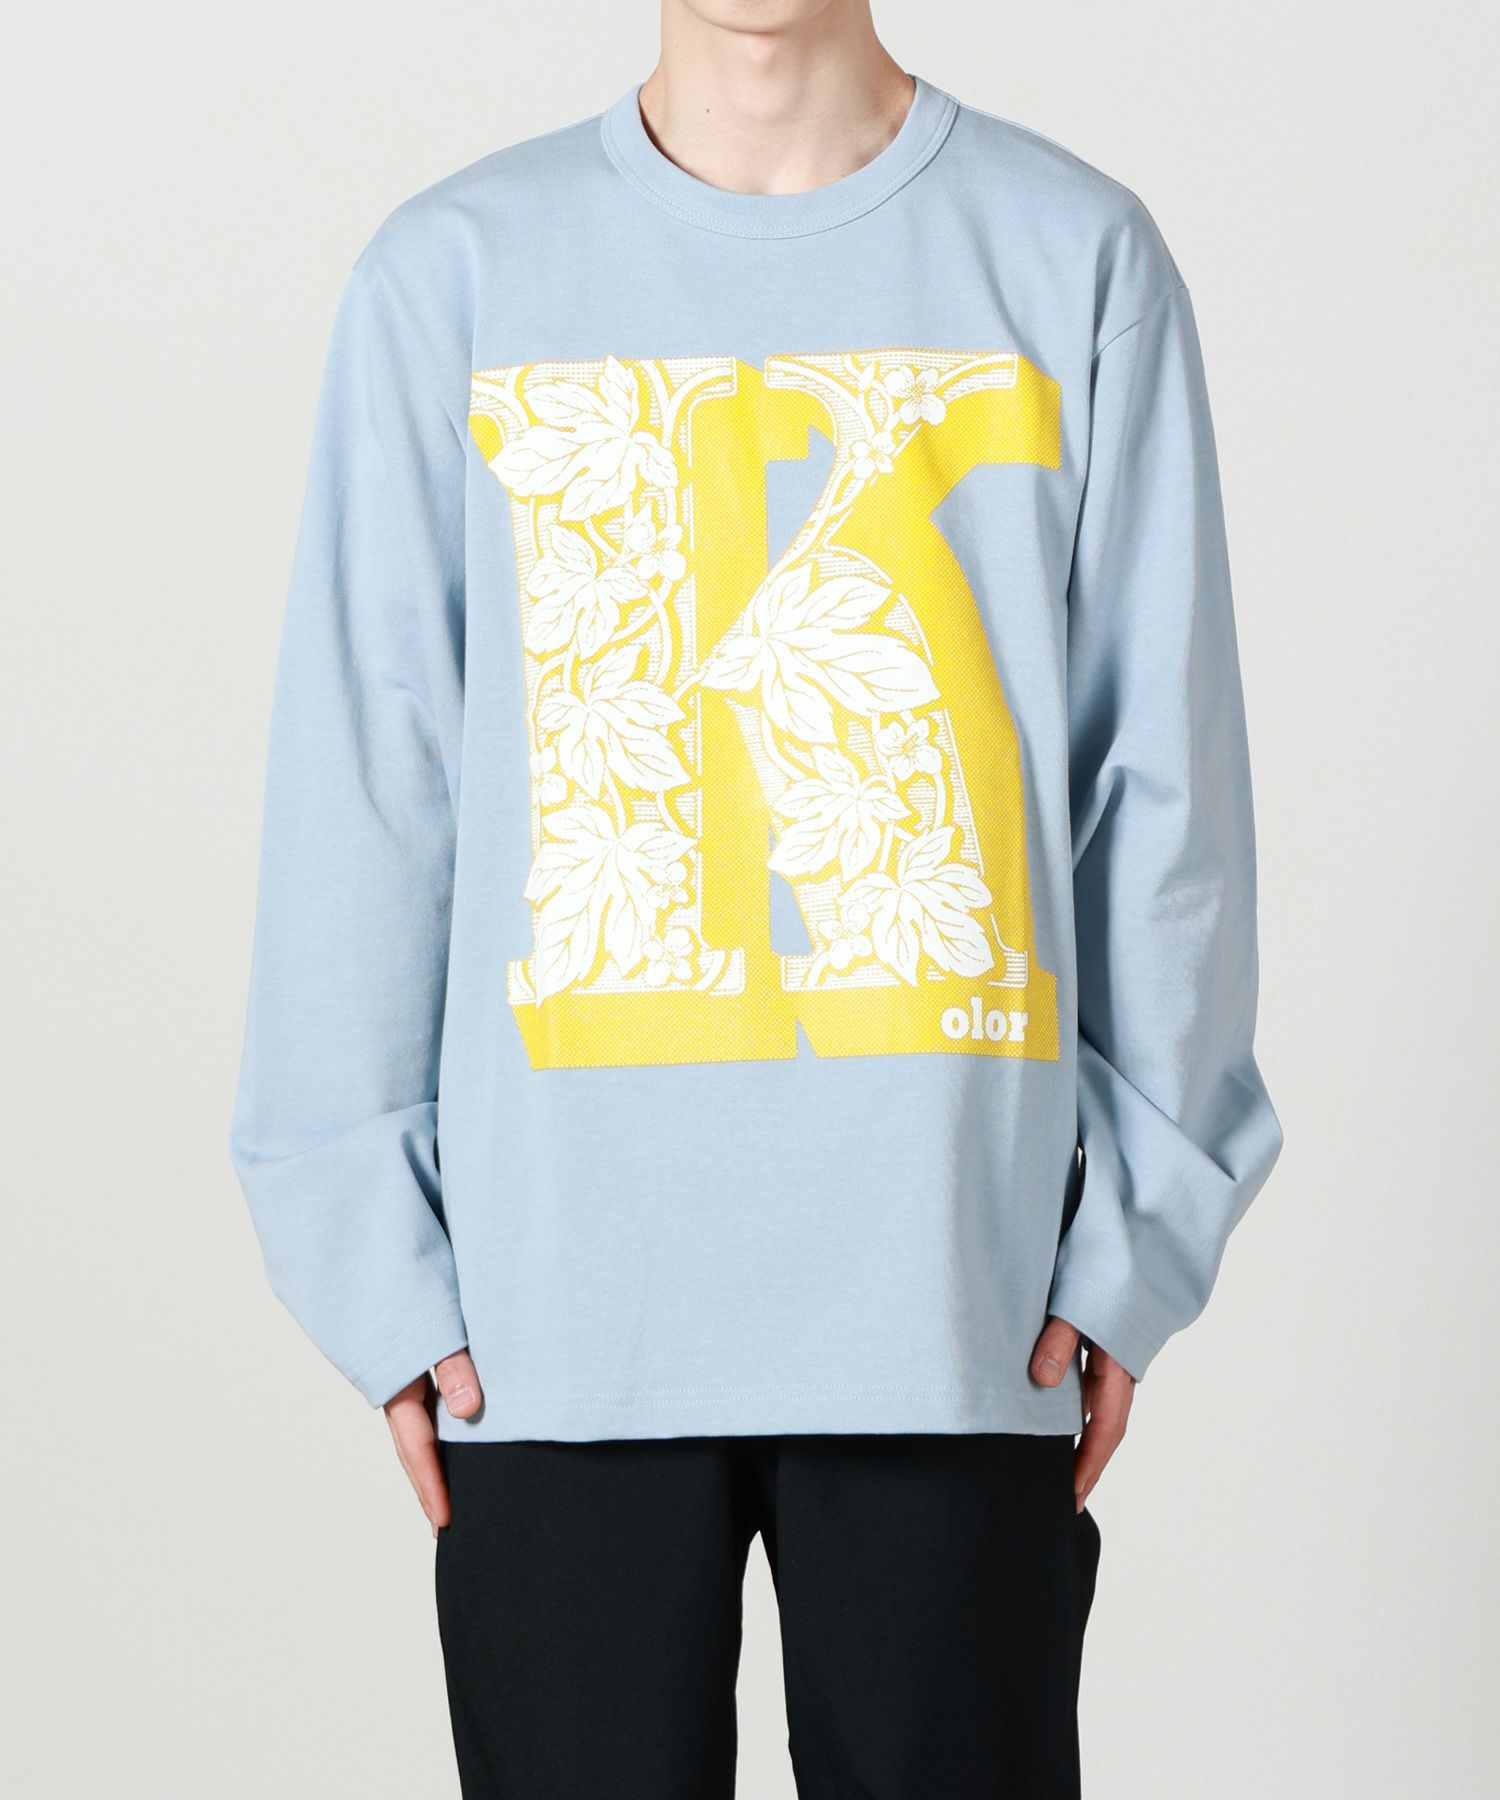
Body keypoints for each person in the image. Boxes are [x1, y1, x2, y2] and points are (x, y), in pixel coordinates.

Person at [231, 0, 1282, 1792]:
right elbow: (371, 775)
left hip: (950, 1301)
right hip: (559, 1328)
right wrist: (367, 1255)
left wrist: (1134, 1243)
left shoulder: (1075, 258)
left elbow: (1164, 788)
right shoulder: (453, 275)